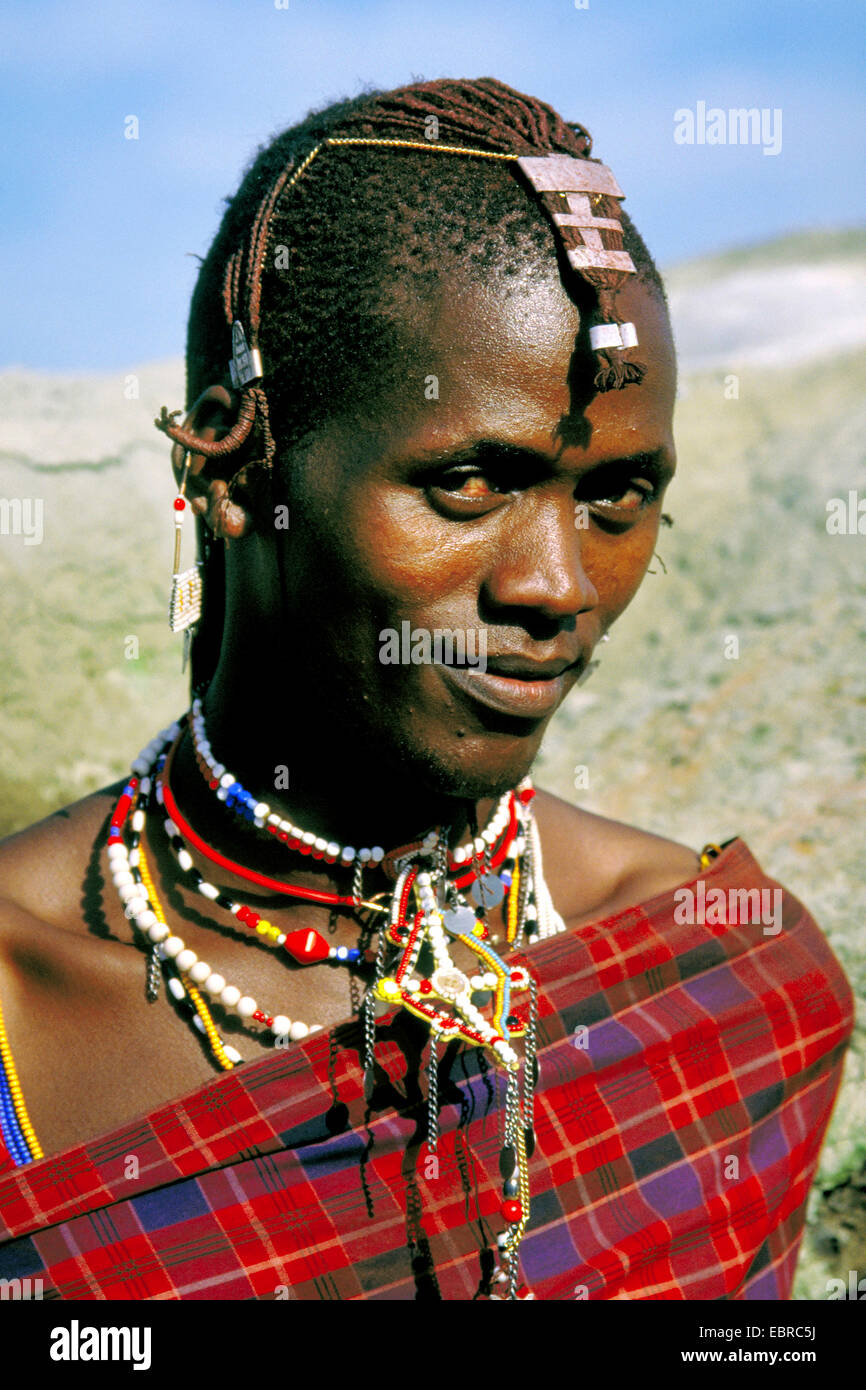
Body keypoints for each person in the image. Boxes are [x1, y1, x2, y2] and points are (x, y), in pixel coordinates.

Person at [0, 78, 853, 1301]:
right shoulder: (19, 1002)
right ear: (237, 474)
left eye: (614, 495)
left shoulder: (719, 979)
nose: (557, 585)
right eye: (468, 483)